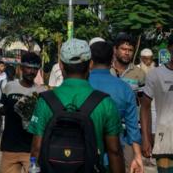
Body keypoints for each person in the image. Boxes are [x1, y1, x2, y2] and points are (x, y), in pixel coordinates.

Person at [29, 38, 125, 172]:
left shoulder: (45, 101)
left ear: (61, 65)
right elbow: (114, 151)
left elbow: (36, 148)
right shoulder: (105, 103)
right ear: (90, 64)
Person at [88, 41, 143, 173]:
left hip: (84, 152)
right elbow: (132, 126)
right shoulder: (125, 88)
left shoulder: (83, 84)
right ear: (112, 59)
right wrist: (137, 156)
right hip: (115, 154)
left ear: (90, 60)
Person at [0, 52, 46, 173]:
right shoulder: (9, 87)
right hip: (10, 148)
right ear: (21, 68)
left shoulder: (42, 91)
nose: (31, 72)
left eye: (35, 69)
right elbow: (3, 110)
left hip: (32, 151)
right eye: (28, 67)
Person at [141, 35, 173, 173]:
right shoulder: (156, 74)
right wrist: (146, 138)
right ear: (170, 48)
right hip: (165, 142)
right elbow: (145, 107)